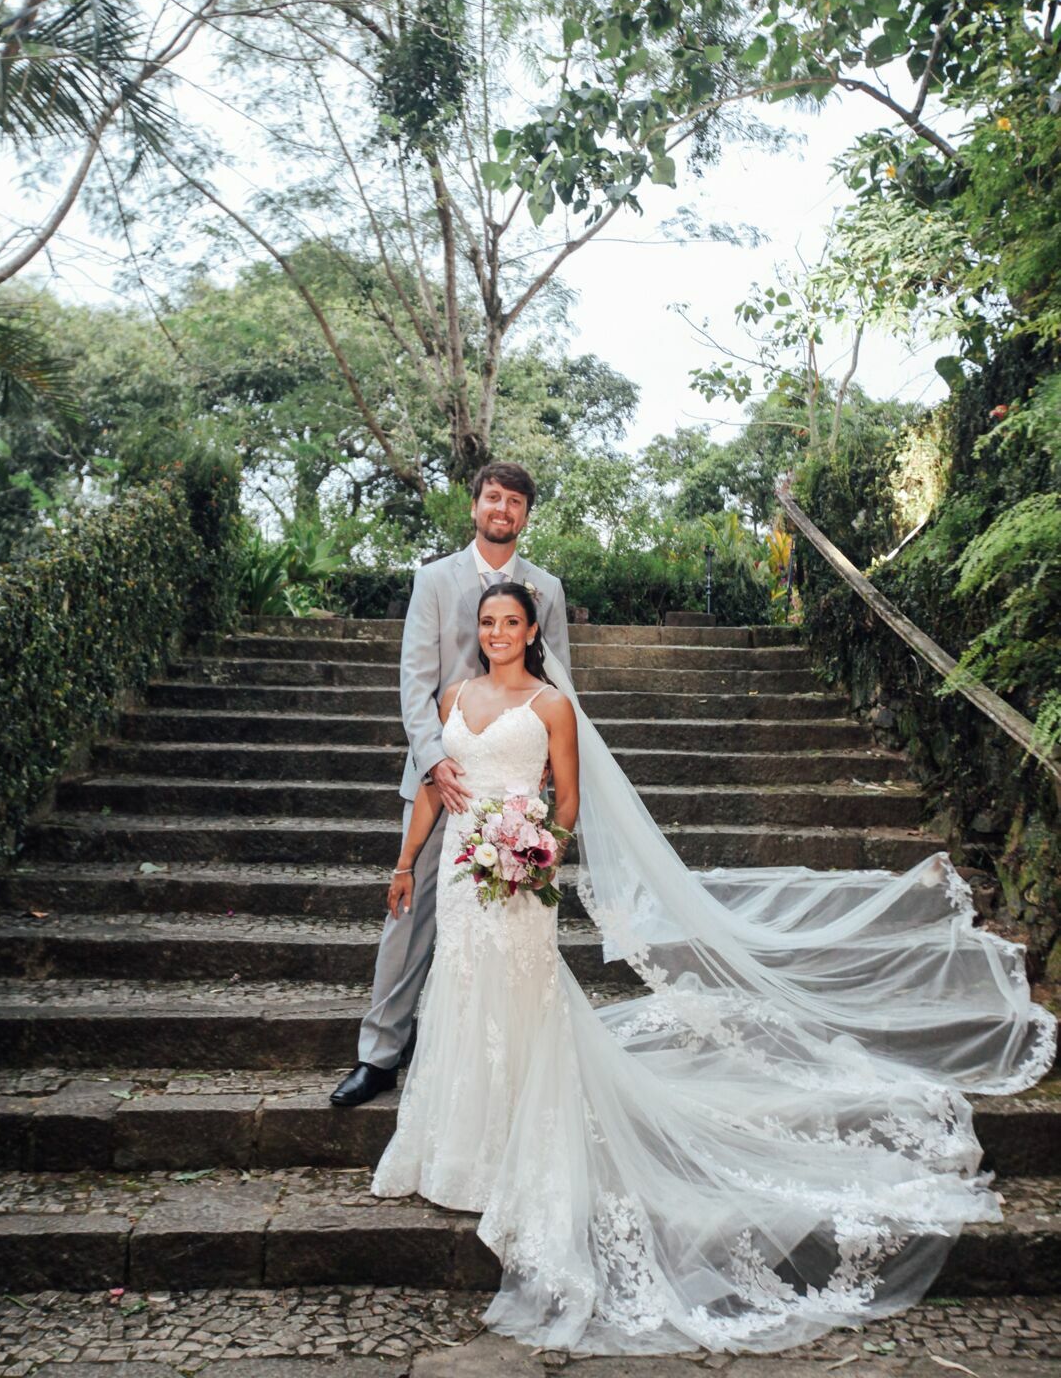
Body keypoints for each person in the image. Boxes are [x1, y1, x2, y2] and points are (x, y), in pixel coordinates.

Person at [369, 580, 1055, 1356]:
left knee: (519, 1002)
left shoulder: (553, 705)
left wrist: (540, 855)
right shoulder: (453, 697)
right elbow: (433, 791)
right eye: (488, 621)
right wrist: (405, 863)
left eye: (511, 622)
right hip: (462, 876)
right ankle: (452, 1149)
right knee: (461, 995)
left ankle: (518, 1146)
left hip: (522, 879)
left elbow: (568, 801)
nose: (498, 631)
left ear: (532, 631)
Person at [330, 462, 571, 1109]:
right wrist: (435, 759)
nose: (502, 509)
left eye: (514, 501)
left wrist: (547, 765)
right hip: (446, 778)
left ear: (525, 515)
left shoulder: (546, 589)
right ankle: (379, 1054)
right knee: (410, 918)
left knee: (506, 921)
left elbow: (561, 679)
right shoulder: (434, 580)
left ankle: (501, 1057)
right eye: (493, 497)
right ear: (475, 506)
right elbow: (415, 682)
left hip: (511, 784)